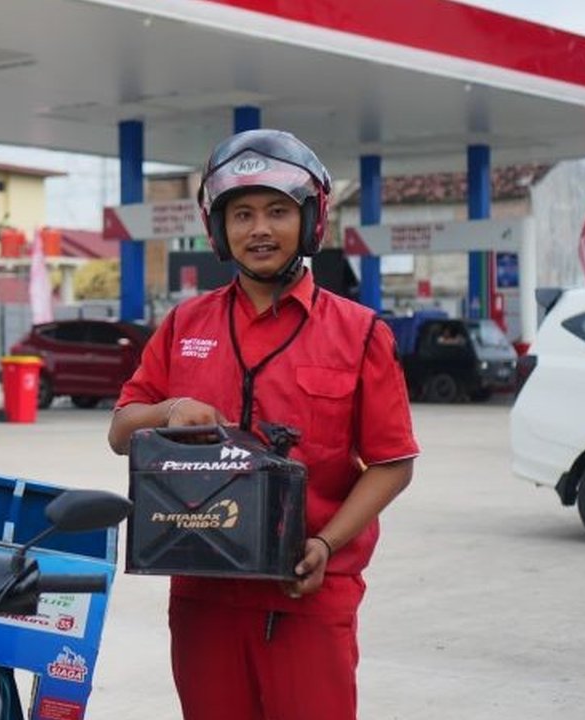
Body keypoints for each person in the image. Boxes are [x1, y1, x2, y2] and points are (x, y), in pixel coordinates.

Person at [107, 129, 419, 720]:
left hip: (309, 594)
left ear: (309, 220)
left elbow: (392, 462)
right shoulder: (183, 324)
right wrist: (168, 412)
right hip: (203, 598)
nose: (259, 229)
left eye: (277, 211)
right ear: (217, 227)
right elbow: (122, 430)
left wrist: (326, 543)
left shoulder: (360, 333)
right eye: (242, 213)